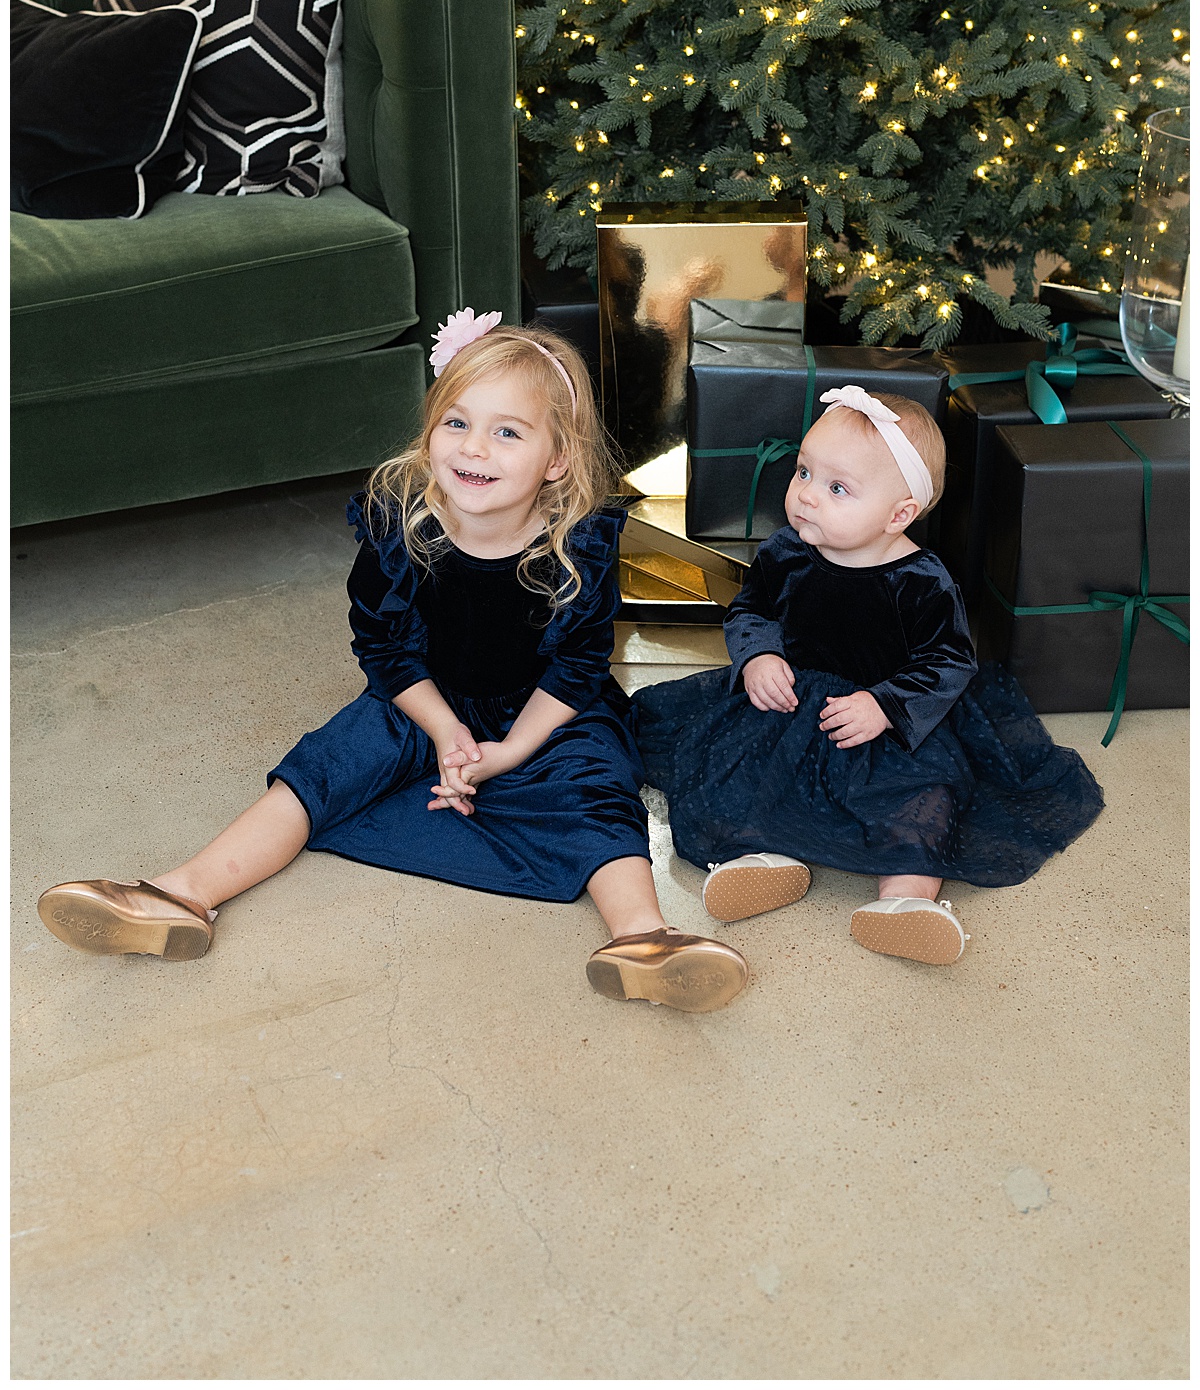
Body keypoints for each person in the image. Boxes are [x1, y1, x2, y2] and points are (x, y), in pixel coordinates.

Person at [38, 312, 748, 1013]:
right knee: (328, 762)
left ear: (557, 458)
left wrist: (508, 754)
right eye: (457, 422)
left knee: (600, 784)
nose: (475, 449)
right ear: (431, 429)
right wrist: (444, 732)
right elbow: (385, 648)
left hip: (547, 712)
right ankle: (183, 893)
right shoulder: (399, 522)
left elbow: (577, 670)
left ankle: (643, 939)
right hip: (420, 697)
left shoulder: (580, 546)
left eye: (508, 432)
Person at [635, 386, 1105, 965]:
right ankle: (756, 859)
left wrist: (885, 704)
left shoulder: (921, 581)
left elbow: (948, 661)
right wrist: (757, 656)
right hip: (791, 709)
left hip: (888, 724)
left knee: (922, 799)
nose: (806, 495)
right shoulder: (785, 553)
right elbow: (751, 610)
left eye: (837, 488)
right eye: (804, 471)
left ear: (898, 514)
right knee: (740, 771)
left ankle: (905, 901)